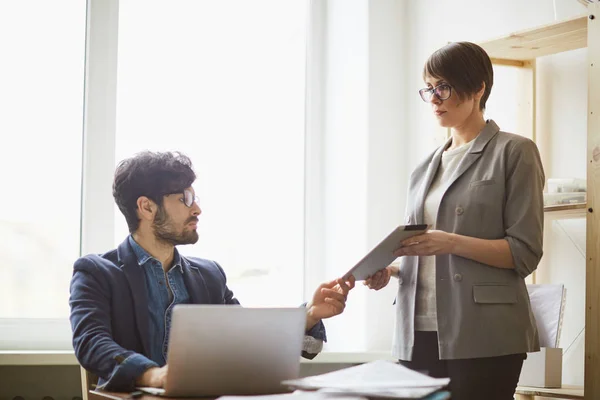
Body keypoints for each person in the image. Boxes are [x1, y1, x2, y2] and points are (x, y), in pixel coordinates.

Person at [69, 151, 355, 392]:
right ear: (146, 207)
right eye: (185, 198)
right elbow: (90, 342)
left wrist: (309, 316)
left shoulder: (208, 275)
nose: (198, 209)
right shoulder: (96, 272)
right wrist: (154, 375)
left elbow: (246, 338)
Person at [364, 42, 544, 400]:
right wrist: (393, 269)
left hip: (485, 332)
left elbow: (524, 253)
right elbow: (423, 249)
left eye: (444, 86)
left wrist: (451, 242)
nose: (434, 98)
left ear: (478, 88)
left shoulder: (514, 151)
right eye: (429, 88)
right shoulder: (424, 167)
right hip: (417, 330)